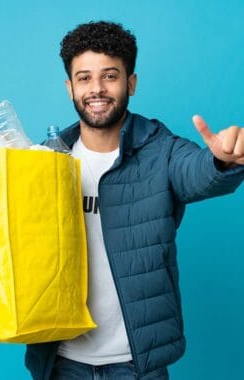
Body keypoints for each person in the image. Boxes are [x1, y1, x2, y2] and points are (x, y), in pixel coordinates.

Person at [25, 21, 244, 380]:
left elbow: (198, 172)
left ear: (131, 83)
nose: (96, 89)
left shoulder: (162, 150)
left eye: (110, 76)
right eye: (84, 78)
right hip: (61, 361)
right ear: (70, 88)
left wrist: (225, 160)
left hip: (136, 366)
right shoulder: (45, 161)